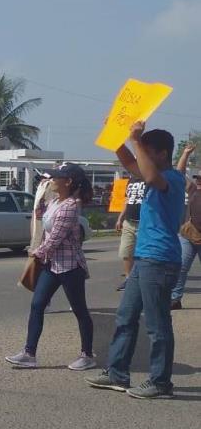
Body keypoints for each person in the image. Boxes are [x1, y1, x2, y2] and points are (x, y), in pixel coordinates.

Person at [86, 122, 185, 399]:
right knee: (126, 317)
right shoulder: (150, 172)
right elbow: (130, 161)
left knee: (157, 324)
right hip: (144, 259)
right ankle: (117, 373)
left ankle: (161, 382)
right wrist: (117, 138)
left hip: (161, 260)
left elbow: (151, 177)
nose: (142, 155)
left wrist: (136, 139)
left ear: (163, 154)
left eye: (148, 151)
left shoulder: (173, 177)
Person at [6, 163, 96, 371]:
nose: (51, 180)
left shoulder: (71, 206)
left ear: (68, 182)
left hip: (70, 266)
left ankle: (87, 355)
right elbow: (44, 227)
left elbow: (54, 239)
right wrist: (39, 208)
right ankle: (29, 353)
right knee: (37, 305)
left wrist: (35, 253)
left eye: (56, 177)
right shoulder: (56, 201)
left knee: (80, 310)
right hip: (52, 264)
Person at [171, 143, 200, 310]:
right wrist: (185, 154)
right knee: (181, 267)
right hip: (189, 235)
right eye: (197, 178)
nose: (198, 181)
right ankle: (175, 299)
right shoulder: (193, 189)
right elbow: (179, 174)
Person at [114, 175, 146, 291]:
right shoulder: (131, 180)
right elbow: (127, 200)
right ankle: (129, 279)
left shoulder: (149, 177)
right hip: (129, 221)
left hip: (144, 222)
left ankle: (143, 280)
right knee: (126, 252)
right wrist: (120, 218)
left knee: (142, 254)